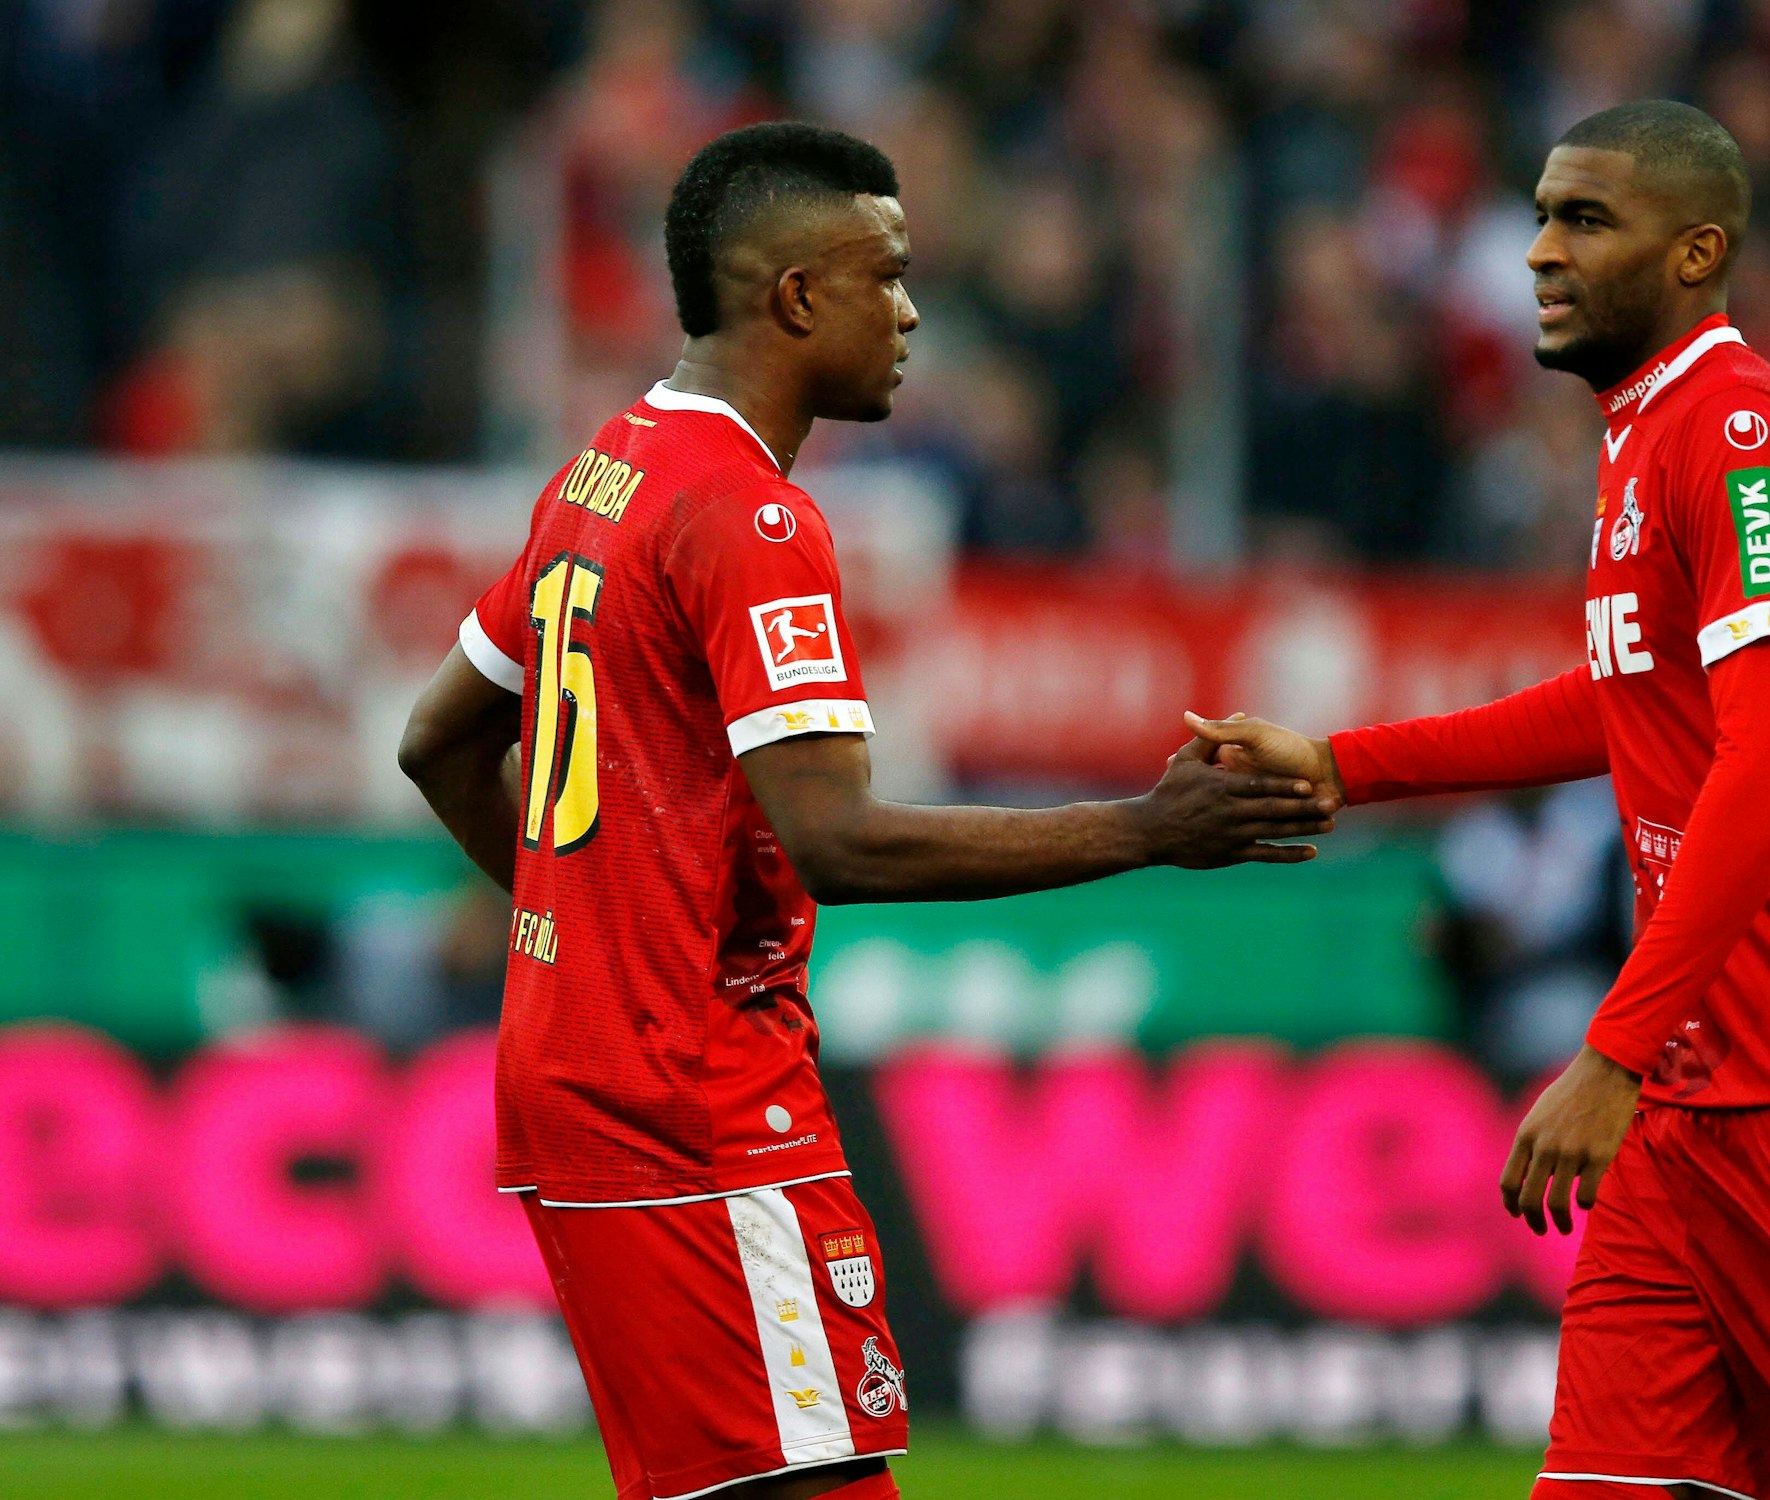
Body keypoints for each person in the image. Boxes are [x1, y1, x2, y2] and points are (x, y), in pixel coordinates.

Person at [397, 121, 1332, 1500]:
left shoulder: (605, 471)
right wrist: (1148, 830)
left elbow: (437, 740)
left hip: (582, 1075)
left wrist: (592, 926)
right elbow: (839, 839)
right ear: (794, 298)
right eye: (885, 277)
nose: (908, 314)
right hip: (699, 1103)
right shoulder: (748, 517)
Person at [1189, 101, 1770, 1498]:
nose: (1539, 254)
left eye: (1585, 220)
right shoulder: (1643, 438)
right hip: (1695, 1112)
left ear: (1697, 253)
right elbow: (1620, 696)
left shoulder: (1738, 429)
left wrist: (1611, 1051)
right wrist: (1347, 764)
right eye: (1541, 216)